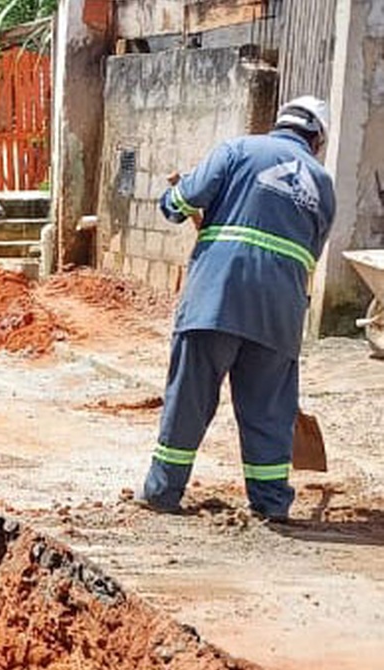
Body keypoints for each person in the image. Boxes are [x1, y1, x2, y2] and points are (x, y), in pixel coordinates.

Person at [139, 96, 336, 521]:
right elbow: (308, 255)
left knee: (190, 398)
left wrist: (173, 196)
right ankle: (271, 504)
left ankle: (162, 492)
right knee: (268, 410)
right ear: (317, 139)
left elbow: (179, 206)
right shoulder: (322, 183)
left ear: (278, 123)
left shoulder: (238, 150)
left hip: (217, 298)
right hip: (280, 311)